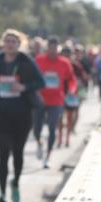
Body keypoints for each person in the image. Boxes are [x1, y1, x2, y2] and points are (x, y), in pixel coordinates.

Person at [0, 30, 44, 202]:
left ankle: (16, 182)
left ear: (19, 44)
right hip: (0, 114)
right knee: (3, 154)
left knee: (18, 152)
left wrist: (23, 86)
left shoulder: (25, 61)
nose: (10, 44)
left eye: (13, 41)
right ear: (3, 43)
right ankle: (2, 194)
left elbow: (41, 82)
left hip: (21, 114)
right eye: (7, 41)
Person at [33, 36, 76, 168]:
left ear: (58, 48)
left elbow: (71, 80)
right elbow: (31, 75)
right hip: (40, 99)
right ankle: (39, 143)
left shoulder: (64, 63)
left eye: (54, 48)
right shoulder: (39, 60)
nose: (52, 50)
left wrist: (71, 90)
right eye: (50, 48)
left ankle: (48, 157)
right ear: (47, 48)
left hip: (57, 100)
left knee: (53, 127)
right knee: (36, 128)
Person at [59, 46, 87, 149]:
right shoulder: (59, 64)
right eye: (64, 54)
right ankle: (60, 138)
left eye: (68, 54)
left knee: (71, 115)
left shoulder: (76, 66)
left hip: (73, 94)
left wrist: (79, 90)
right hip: (60, 94)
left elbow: (84, 79)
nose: (66, 57)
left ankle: (68, 137)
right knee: (60, 117)